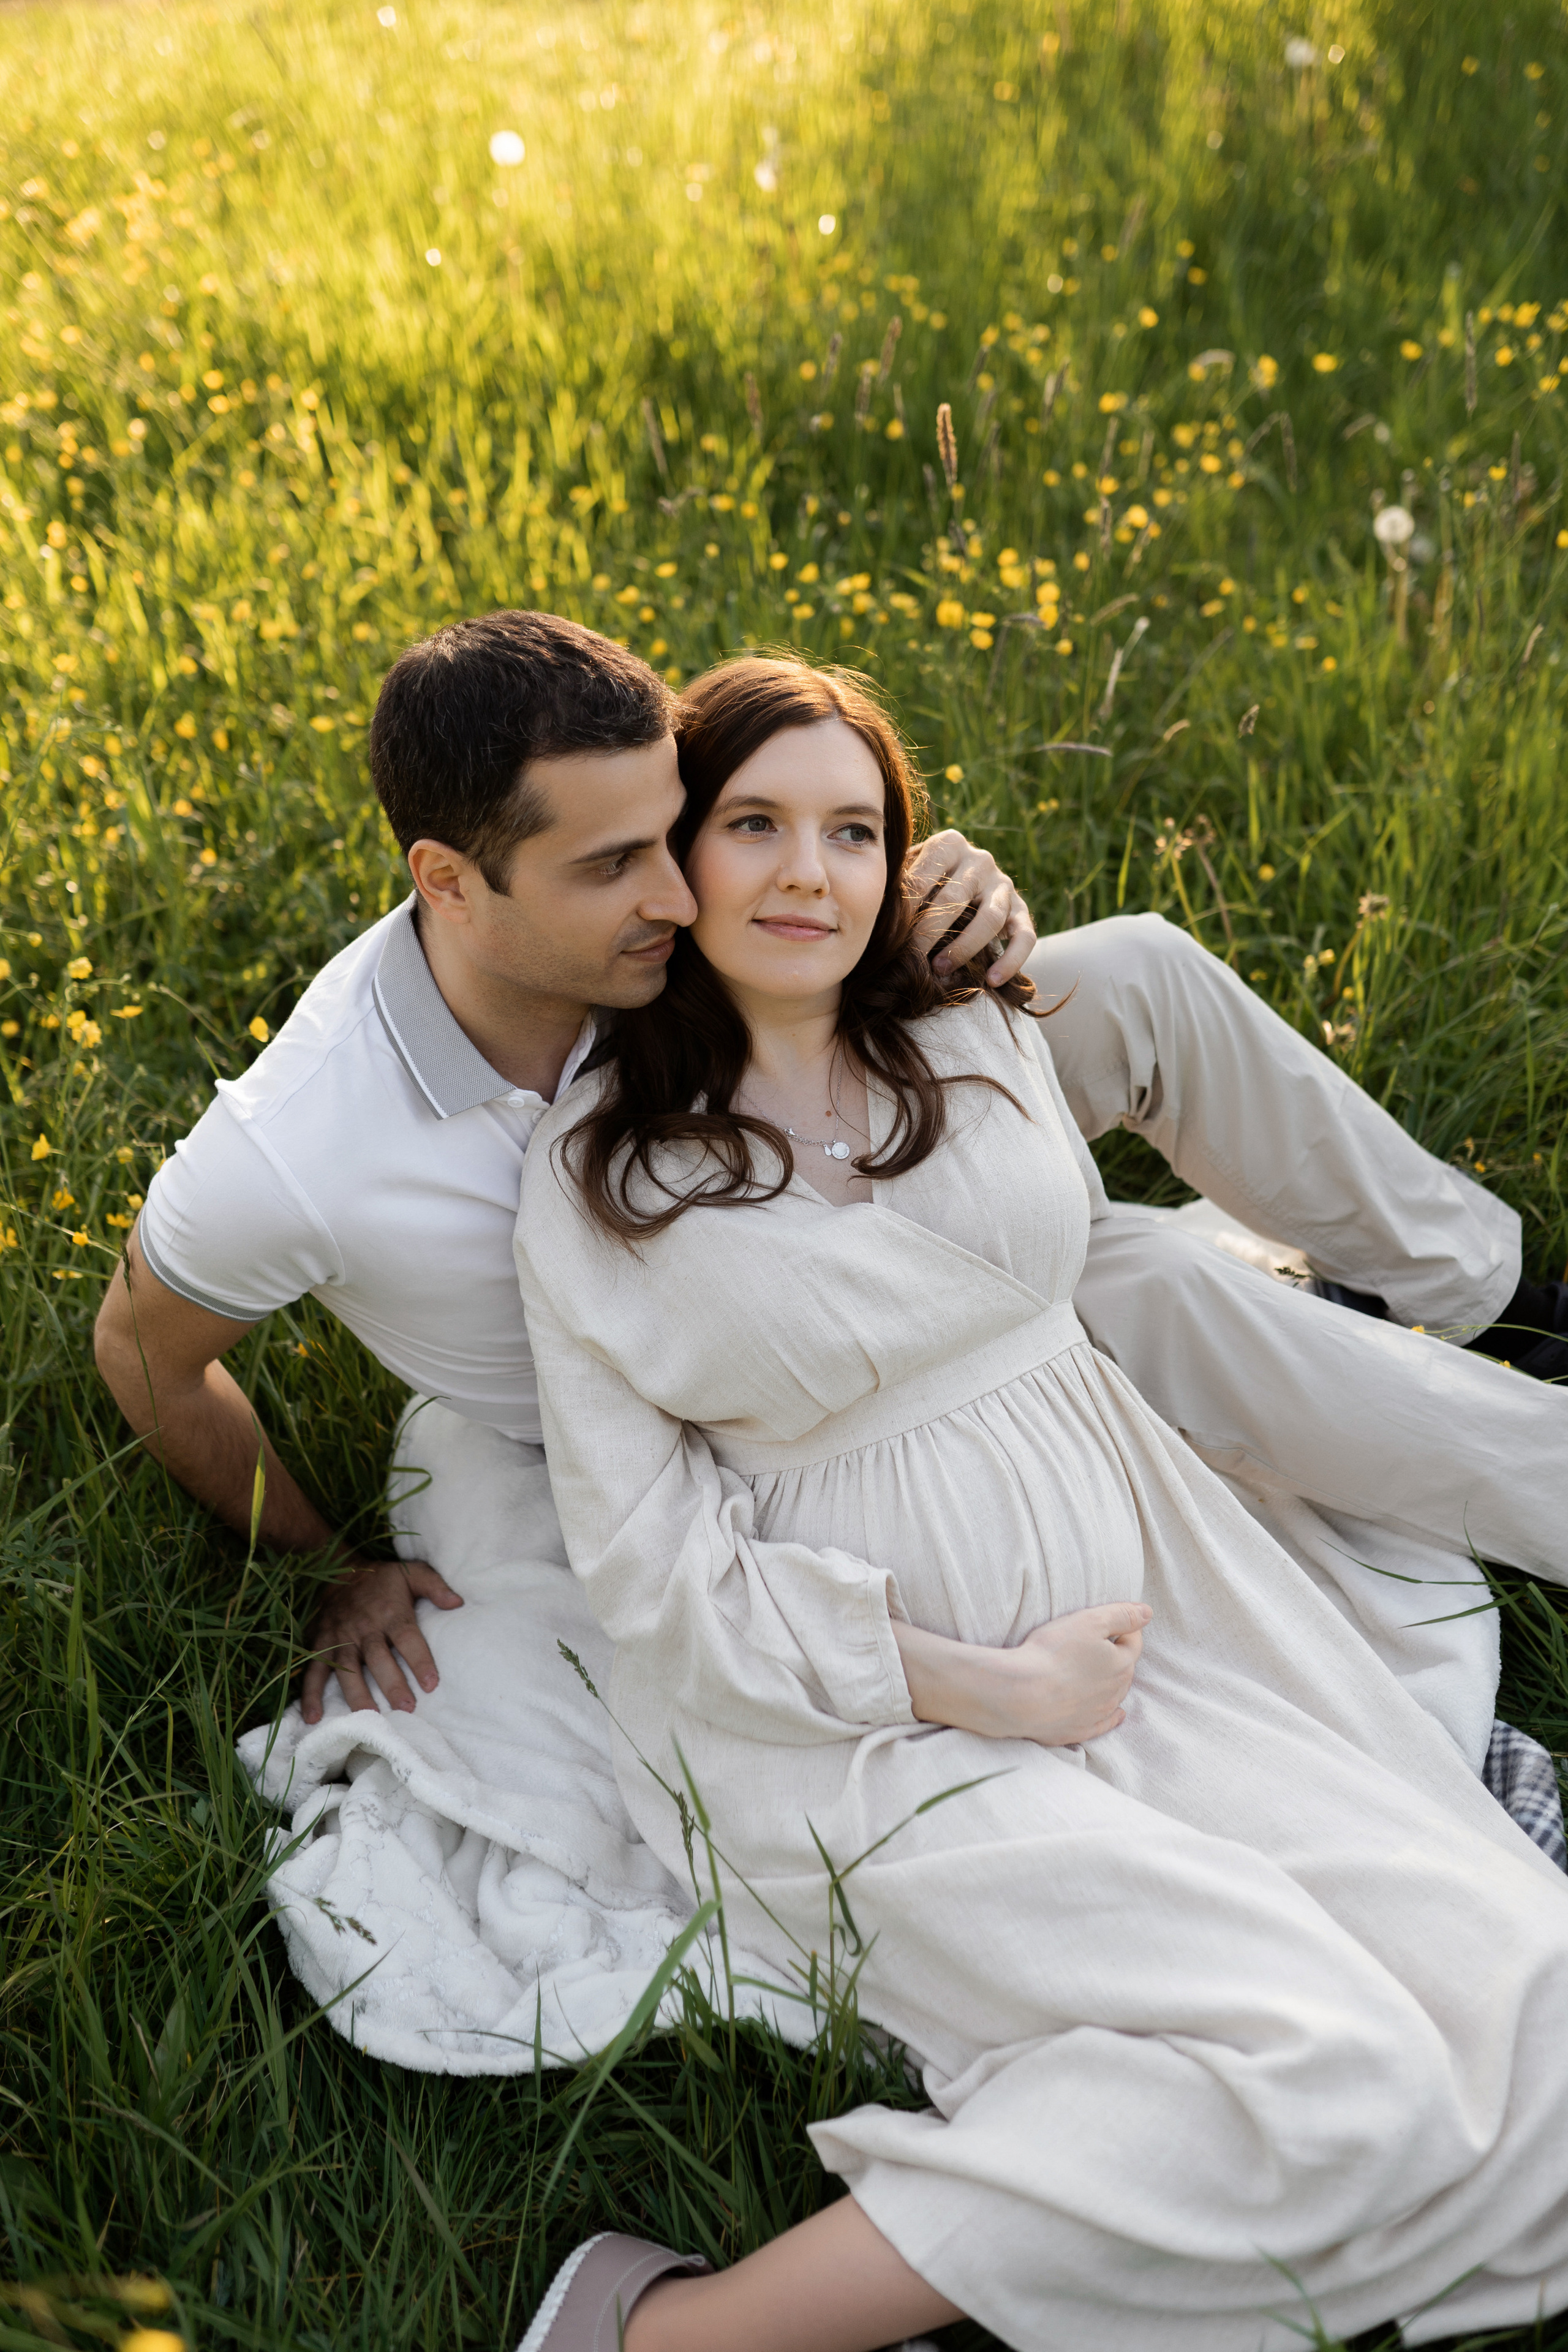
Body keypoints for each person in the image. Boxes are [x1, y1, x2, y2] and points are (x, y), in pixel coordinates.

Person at [511, 654, 1568, 2352]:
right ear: (673, 861)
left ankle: (1044, 2279)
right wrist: (977, 1684)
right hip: (866, 1720)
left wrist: (966, 915)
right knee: (1335, 2063)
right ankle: (660, 2333)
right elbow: (655, 1577)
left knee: (1534, 2001)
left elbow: (1061, 1238)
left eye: (854, 832)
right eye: (756, 826)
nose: (808, 873)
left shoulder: (964, 1020)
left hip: (1169, 1617)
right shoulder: (607, 1183)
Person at [92, 611, 1567, 1746]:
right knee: (1151, 1280)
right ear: (448, 881)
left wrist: (947, 890)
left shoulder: (636, 920)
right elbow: (140, 1353)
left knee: (1135, 979)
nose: (677, 893)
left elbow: (799, 851)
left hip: (834, 1173)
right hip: (756, 1386)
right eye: (618, 866)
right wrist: (325, 1560)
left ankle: (1490, 1295)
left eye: (668, 836)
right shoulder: (294, 1152)